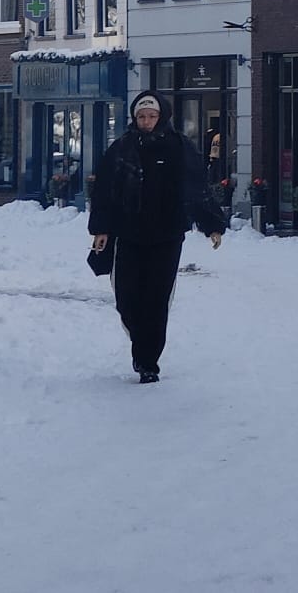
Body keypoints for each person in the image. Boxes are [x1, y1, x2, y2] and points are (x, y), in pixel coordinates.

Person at [88, 92, 226, 383]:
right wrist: (101, 229)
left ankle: (148, 360)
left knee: (156, 298)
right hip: (128, 233)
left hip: (167, 234)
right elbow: (104, 192)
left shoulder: (179, 147)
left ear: (161, 116)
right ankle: (140, 341)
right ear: (134, 119)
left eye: (152, 116)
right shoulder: (121, 148)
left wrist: (211, 224)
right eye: (142, 116)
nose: (147, 121)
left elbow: (197, 187)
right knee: (127, 298)